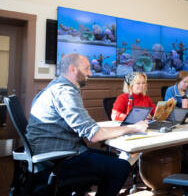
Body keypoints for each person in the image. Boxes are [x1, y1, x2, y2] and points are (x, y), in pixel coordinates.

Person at [26, 53, 148, 196]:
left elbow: (86, 127)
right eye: (87, 68)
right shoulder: (65, 92)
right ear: (73, 69)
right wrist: (132, 128)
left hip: (52, 153)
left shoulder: (53, 87)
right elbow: (94, 135)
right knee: (121, 167)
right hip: (58, 159)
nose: (90, 72)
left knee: (113, 160)